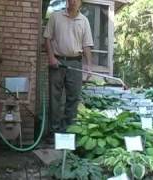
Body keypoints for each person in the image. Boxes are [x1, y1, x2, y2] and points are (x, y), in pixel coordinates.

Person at [44, 0, 93, 140]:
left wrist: (89, 66)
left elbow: (87, 46)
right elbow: (47, 38)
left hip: (75, 64)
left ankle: (67, 133)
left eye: (76, 0)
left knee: (73, 98)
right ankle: (53, 133)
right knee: (54, 98)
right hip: (57, 62)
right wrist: (51, 57)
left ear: (80, 3)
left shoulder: (84, 21)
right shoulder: (55, 16)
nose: (73, 2)